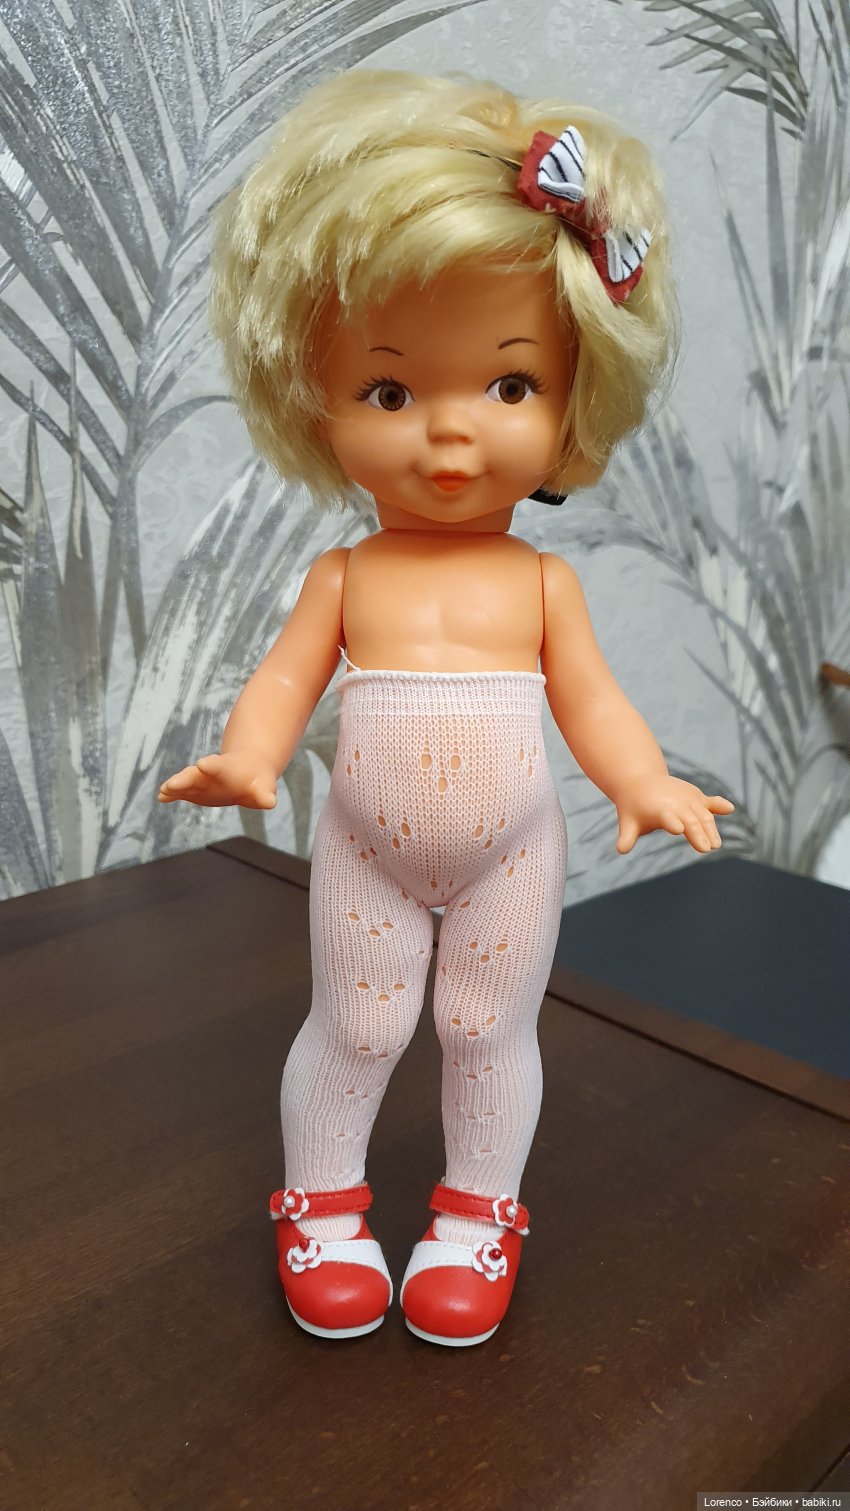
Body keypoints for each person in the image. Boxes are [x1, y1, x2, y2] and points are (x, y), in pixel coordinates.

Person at [158, 68, 734, 1347]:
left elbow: (590, 701)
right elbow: (286, 679)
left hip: (510, 851)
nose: (450, 438)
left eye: (509, 387)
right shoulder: (345, 574)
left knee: (488, 1030)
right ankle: (320, 1203)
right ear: (312, 403)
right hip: (364, 846)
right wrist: (249, 756)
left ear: (578, 395)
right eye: (390, 393)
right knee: (355, 1024)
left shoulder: (541, 582)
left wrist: (643, 779)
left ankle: (479, 1213)